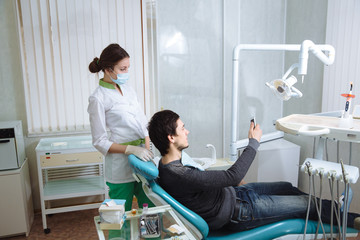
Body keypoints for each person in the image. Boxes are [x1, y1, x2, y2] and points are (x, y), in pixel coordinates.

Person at [147, 109, 360, 232]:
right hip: (239, 212)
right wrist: (253, 142)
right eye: (183, 128)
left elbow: (217, 181)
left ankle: (331, 209)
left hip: (236, 196)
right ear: (171, 138)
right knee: (307, 205)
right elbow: (233, 176)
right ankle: (349, 219)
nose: (187, 131)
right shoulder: (177, 174)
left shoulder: (166, 163)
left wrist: (233, 185)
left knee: (288, 187)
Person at [88, 43, 154, 211]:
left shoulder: (129, 89)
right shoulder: (98, 98)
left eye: (128, 68)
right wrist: (131, 150)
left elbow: (142, 121)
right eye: (123, 69)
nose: (127, 73)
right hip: (120, 166)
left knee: (149, 209)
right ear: (108, 69)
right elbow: (99, 141)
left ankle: (151, 238)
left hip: (142, 161)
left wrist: (147, 151)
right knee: (119, 215)